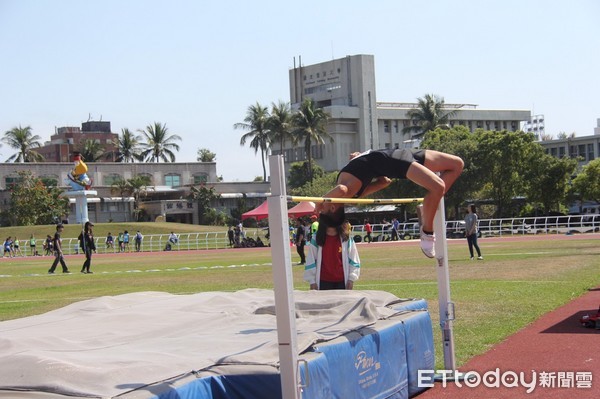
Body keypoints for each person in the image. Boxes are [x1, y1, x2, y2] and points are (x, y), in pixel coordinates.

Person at [315, 148, 463, 258]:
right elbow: (342, 189)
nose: (324, 203)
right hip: (393, 161)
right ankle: (427, 232)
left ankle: (430, 204)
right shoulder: (346, 194)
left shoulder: (350, 194)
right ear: (332, 208)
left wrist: (360, 161)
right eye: (324, 208)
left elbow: (384, 182)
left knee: (457, 164)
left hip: (393, 153)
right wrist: (319, 203)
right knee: (438, 187)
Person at [304, 215, 360, 290]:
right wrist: (312, 281)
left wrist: (351, 278)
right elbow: (311, 259)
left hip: (343, 282)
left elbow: (354, 258)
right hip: (323, 282)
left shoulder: (346, 238)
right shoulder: (316, 238)